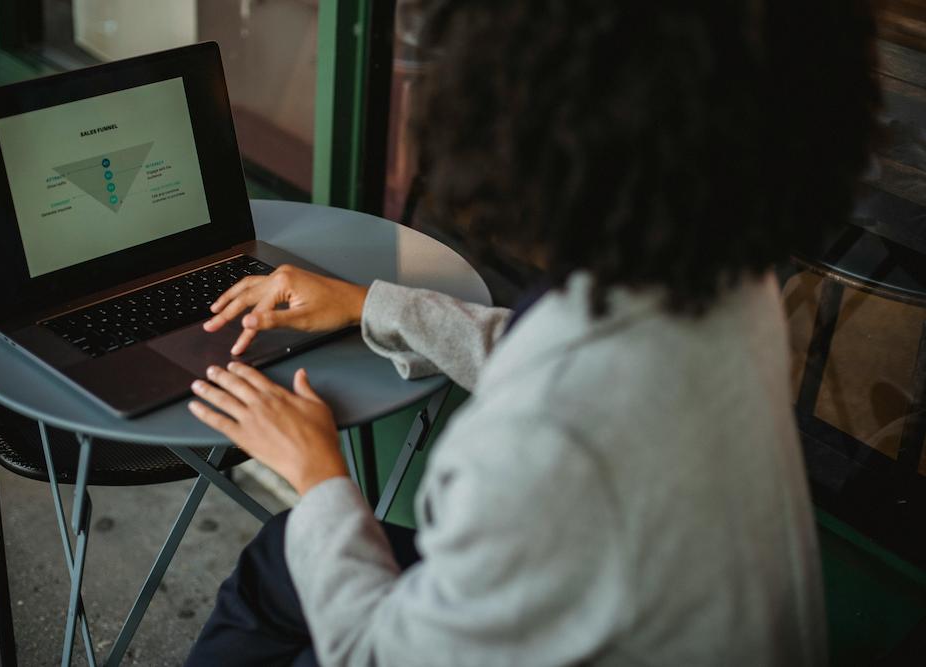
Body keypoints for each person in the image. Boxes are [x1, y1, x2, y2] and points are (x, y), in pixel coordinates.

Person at [184, 0, 879, 665]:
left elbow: (376, 653)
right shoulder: (720, 271)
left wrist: (319, 473)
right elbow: (562, 357)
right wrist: (369, 305)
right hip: (639, 599)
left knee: (289, 570)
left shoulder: (540, 448)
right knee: (282, 556)